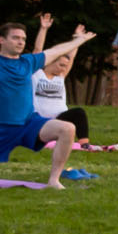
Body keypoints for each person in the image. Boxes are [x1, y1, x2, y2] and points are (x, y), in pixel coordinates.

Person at [0, 18, 91, 188]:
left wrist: (79, 40)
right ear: (1, 40)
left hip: (29, 122)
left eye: (23, 39)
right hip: (0, 128)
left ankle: (53, 180)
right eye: (15, 38)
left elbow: (55, 52)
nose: (20, 42)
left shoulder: (28, 62)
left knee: (67, 128)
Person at [29, 15, 95, 145]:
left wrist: (77, 39)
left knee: (79, 112)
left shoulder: (61, 77)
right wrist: (43, 29)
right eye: (61, 65)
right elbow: (37, 51)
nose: (63, 68)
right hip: (41, 122)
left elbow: (72, 55)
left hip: (60, 120)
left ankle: (84, 144)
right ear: (51, 61)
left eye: (65, 66)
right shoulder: (36, 74)